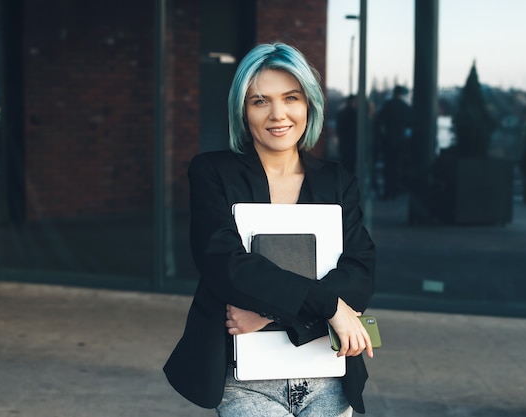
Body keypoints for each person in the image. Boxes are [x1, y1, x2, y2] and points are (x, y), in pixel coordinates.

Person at [163, 43, 376, 416]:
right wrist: (327, 306)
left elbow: (358, 276)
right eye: (260, 101)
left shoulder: (337, 181)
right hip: (244, 380)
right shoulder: (212, 173)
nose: (278, 114)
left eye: (290, 98)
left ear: (308, 104)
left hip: (326, 373)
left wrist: (269, 316)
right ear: (242, 112)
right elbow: (226, 267)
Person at [373, 85, 413, 200]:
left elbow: (379, 121)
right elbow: (410, 122)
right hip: (400, 141)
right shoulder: (405, 107)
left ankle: (388, 192)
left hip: (388, 142)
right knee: (397, 167)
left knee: (388, 167)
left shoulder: (388, 105)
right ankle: (395, 191)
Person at [335, 95, 358, 173]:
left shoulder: (342, 113)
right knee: (350, 166)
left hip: (344, 143)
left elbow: (339, 129)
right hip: (351, 144)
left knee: (345, 165)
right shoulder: (354, 114)